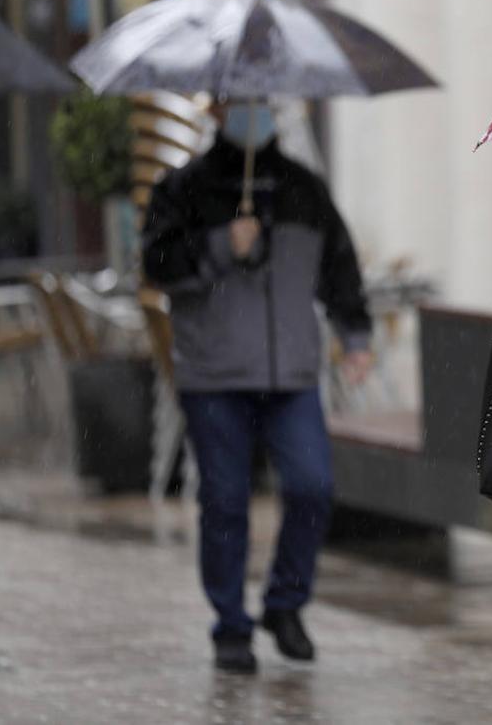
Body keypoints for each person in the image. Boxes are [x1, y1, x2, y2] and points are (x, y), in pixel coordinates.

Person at [142, 100, 373, 673]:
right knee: (224, 502)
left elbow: (339, 266)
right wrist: (222, 246)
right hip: (214, 377)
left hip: (290, 376)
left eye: (263, 102)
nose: (255, 113)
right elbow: (156, 265)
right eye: (242, 101)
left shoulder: (304, 189)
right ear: (218, 108)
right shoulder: (183, 189)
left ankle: (285, 603)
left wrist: (356, 334)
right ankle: (230, 625)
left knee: (312, 488)